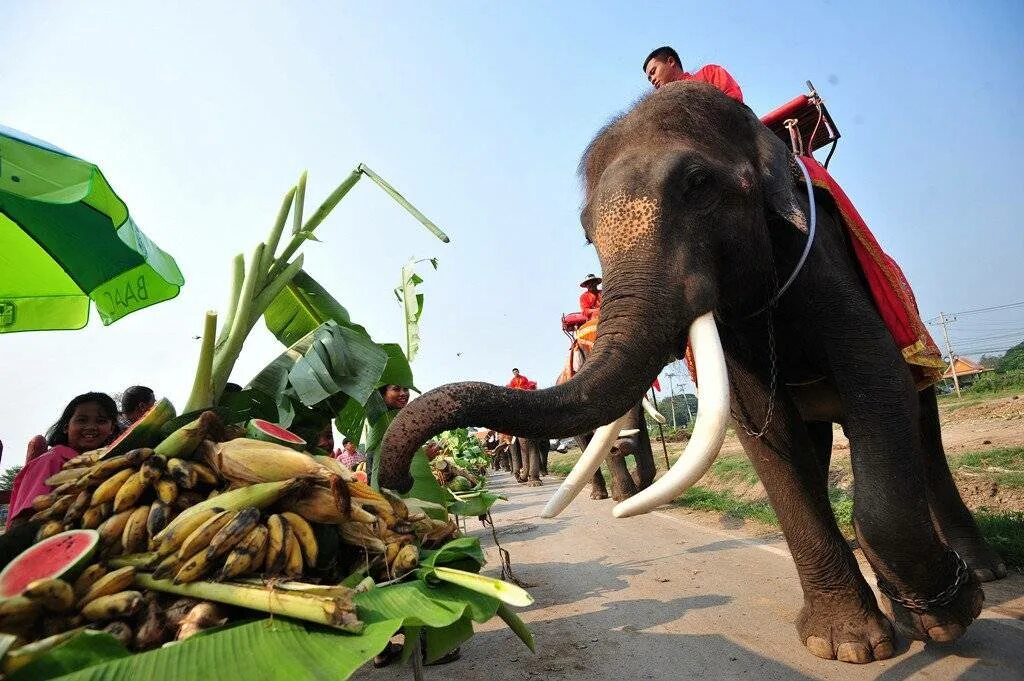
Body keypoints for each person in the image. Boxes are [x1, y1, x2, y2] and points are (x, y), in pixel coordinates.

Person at [7, 392, 122, 528]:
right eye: (82, 420)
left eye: (101, 421)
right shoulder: (50, 460)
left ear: (111, 428)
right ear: (66, 427)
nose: (91, 426)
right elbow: (22, 521)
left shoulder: (111, 461)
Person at [642, 46, 743, 102]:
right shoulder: (662, 103)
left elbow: (735, 99)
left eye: (653, 72)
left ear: (671, 61)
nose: (653, 80)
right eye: (650, 78)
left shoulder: (708, 73)